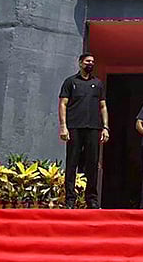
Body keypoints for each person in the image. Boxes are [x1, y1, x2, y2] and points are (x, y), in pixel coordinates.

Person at [58, 52, 108, 208]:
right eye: (87, 61)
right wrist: (63, 126)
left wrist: (105, 127)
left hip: (93, 128)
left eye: (93, 61)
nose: (90, 64)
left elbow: (103, 106)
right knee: (72, 163)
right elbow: (63, 104)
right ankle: (70, 200)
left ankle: (91, 199)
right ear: (80, 63)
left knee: (92, 164)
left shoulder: (98, 84)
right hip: (74, 127)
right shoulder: (70, 82)